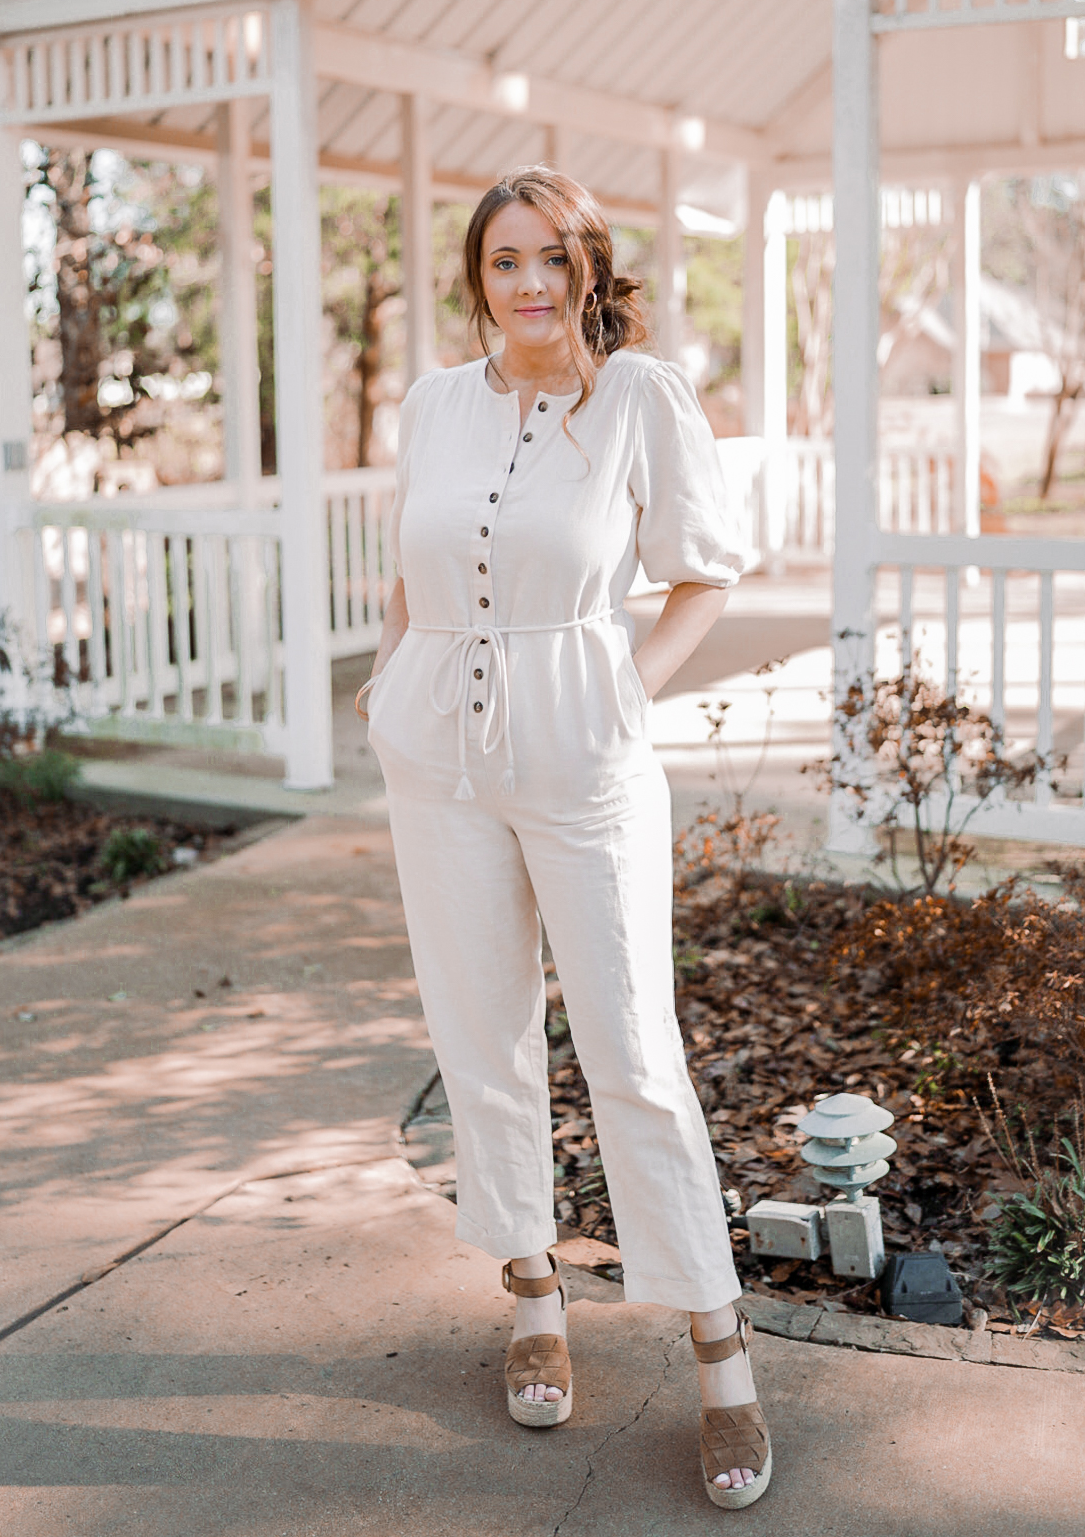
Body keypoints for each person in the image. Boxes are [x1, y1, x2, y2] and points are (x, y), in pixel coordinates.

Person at [358, 167, 772, 1508]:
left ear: (590, 267)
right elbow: (414, 570)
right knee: (482, 1039)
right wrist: (387, 688)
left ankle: (719, 1349)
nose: (529, 284)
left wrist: (623, 696)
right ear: (478, 280)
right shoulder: (433, 403)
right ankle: (531, 1285)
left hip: (583, 751)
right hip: (440, 754)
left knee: (632, 1050)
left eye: (551, 258)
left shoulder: (641, 397)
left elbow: (706, 567)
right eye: (503, 263)